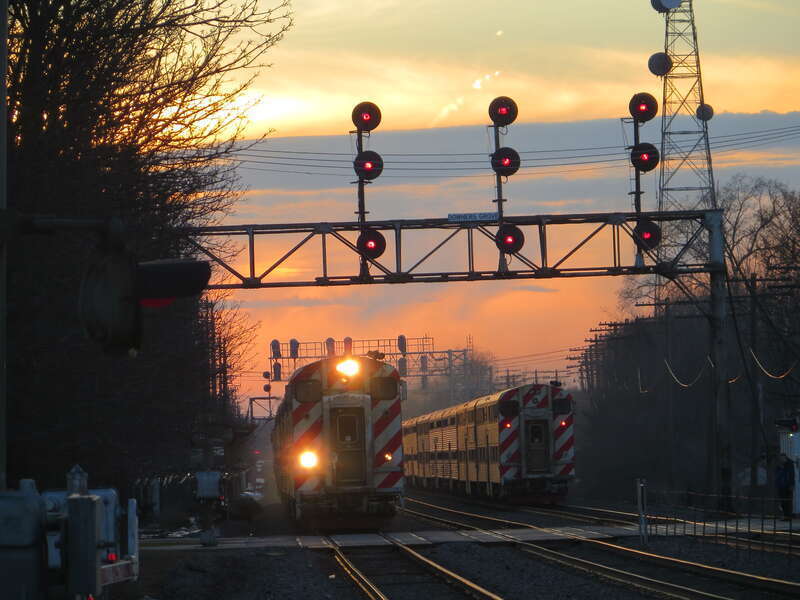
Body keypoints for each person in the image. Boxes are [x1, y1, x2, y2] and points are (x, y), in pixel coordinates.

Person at [776, 453, 795, 520]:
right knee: (783, 501)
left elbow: (791, 475)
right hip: (781, 485)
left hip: (786, 485)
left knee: (787, 501)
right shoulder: (780, 464)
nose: (781, 459)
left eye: (782, 458)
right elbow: (777, 475)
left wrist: (791, 485)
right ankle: (785, 515)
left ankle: (788, 516)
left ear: (785, 457)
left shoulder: (789, 465)